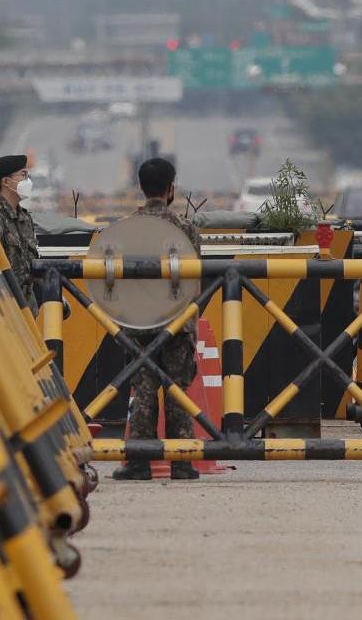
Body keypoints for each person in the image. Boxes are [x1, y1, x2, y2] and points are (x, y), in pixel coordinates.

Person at [112, 158, 201, 481]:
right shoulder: (185, 228)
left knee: (143, 390)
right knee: (177, 391)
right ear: (170, 188)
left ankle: (138, 463)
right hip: (176, 321)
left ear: (141, 187)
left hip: (139, 321)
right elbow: (194, 276)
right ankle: (182, 463)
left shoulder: (127, 228)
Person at [0, 154, 39, 310]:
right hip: (6, 309)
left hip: (27, 308)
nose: (28, 180)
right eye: (23, 175)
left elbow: (30, 266)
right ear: (6, 182)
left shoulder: (24, 217)